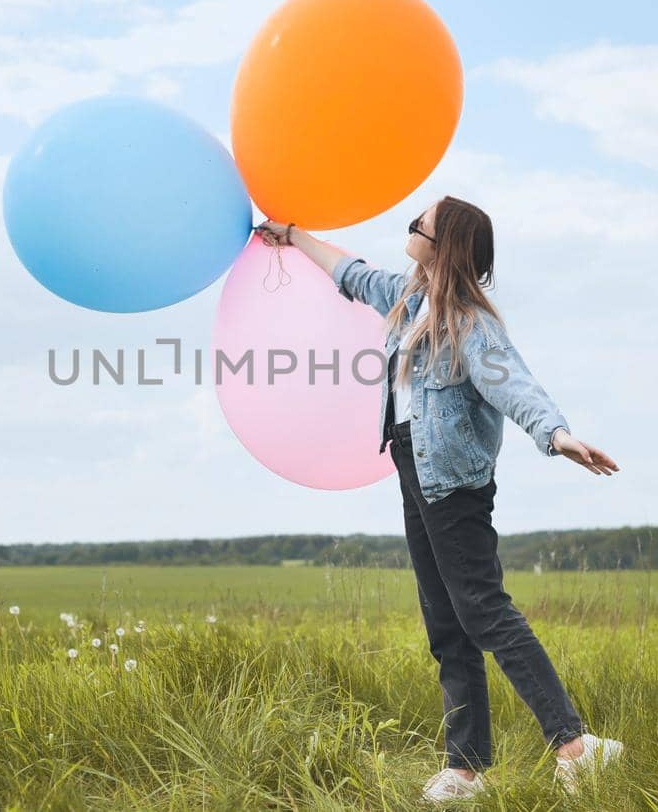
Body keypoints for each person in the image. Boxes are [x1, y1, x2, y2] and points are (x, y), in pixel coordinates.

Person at [256, 196, 625, 801]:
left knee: (483, 611)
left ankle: (576, 748)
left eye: (417, 226)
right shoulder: (408, 300)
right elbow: (352, 273)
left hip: (454, 483)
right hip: (414, 469)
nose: (410, 231)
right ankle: (468, 767)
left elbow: (514, 385)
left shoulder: (471, 325)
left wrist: (555, 435)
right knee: (445, 623)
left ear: (442, 243)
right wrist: (292, 235)